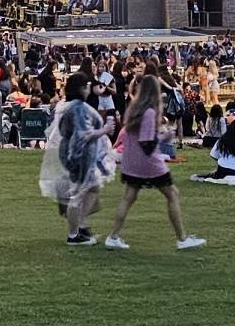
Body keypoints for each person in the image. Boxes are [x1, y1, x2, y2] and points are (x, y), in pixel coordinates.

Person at [102, 76, 202, 250]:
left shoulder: (134, 108)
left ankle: (113, 236)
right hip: (148, 162)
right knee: (172, 194)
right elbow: (147, 142)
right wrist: (164, 136)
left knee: (128, 197)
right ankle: (182, 239)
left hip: (131, 161)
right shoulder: (149, 112)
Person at [40, 74, 115, 246]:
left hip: (74, 153)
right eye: (88, 85)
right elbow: (83, 135)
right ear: (82, 88)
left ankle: (80, 225)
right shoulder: (78, 108)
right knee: (79, 193)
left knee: (92, 187)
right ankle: (74, 234)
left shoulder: (70, 106)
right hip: (79, 155)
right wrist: (104, 130)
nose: (90, 89)